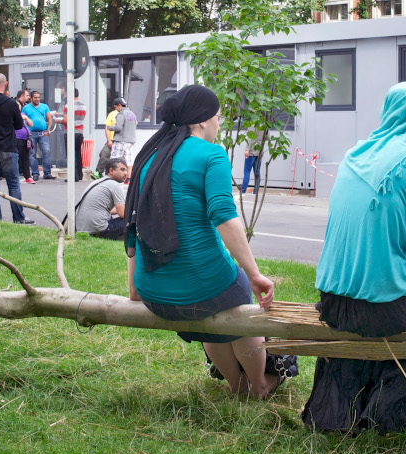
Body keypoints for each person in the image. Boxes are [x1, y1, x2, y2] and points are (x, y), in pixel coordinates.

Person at [301, 82, 406, 435]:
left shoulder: (356, 152)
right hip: (381, 309)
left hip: (332, 302)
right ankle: (400, 414)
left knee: (393, 289)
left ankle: (338, 412)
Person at [124, 85, 293, 399]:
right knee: (240, 302)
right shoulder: (211, 154)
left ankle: (235, 384)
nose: (220, 124)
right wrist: (255, 275)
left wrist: (135, 285)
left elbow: (132, 223)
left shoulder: (150, 156)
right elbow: (224, 215)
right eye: (218, 118)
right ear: (201, 122)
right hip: (199, 290)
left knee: (211, 313)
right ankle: (258, 387)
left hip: (153, 294)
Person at [0, 73, 34, 225]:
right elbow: (18, 125)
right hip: (8, 147)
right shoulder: (10, 103)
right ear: (6, 84)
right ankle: (18, 217)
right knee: (13, 183)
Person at [75, 157, 128, 238]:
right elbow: (123, 214)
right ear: (111, 171)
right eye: (122, 170)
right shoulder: (115, 185)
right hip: (99, 230)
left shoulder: (97, 182)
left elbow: (107, 209)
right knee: (133, 219)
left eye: (126, 170)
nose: (125, 173)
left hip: (82, 228)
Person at [22, 90, 54, 180]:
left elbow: (49, 119)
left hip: (43, 133)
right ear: (31, 98)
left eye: (38, 97)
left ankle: (47, 173)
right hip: (31, 134)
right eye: (35, 97)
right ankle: (35, 173)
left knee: (46, 151)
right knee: (32, 153)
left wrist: (48, 130)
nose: (37, 99)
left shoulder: (44, 107)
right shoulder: (26, 108)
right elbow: (23, 120)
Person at [58, 89, 86, 181]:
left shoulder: (68, 105)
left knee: (70, 154)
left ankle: (73, 176)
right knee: (78, 153)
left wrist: (59, 120)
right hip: (80, 132)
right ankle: (79, 174)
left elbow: (66, 121)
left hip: (70, 132)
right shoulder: (83, 105)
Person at [107, 97, 137, 178]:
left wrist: (110, 127)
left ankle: (114, 177)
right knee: (129, 160)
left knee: (115, 159)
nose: (116, 109)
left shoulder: (121, 114)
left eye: (115, 107)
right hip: (131, 140)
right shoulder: (132, 114)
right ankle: (128, 178)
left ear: (119, 105)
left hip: (121, 140)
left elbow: (118, 128)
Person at [14, 90, 34, 183]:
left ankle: (28, 176)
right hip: (17, 138)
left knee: (25, 158)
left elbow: (31, 124)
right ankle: (15, 176)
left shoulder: (23, 114)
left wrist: (25, 117)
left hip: (26, 139)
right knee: (17, 158)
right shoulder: (13, 115)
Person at [94, 102, 118, 176]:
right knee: (103, 154)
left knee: (120, 159)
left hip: (120, 141)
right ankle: (98, 172)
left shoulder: (127, 114)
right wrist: (109, 141)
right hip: (111, 140)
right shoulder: (112, 114)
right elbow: (107, 128)